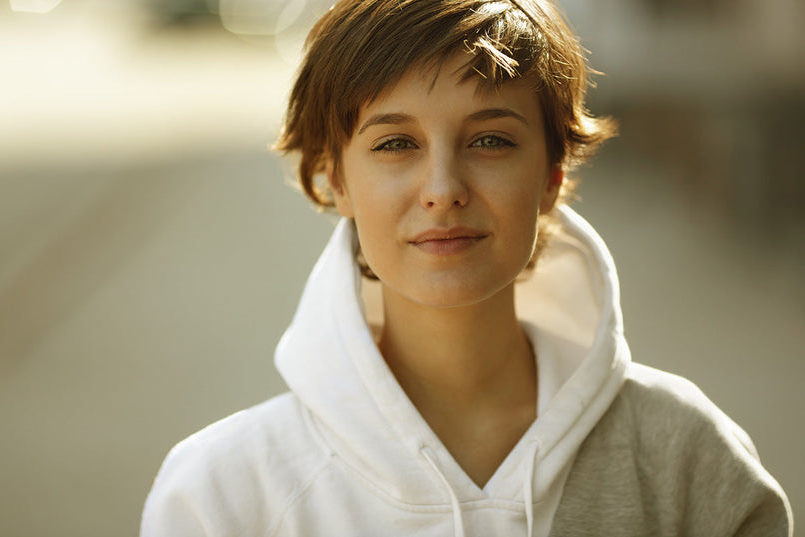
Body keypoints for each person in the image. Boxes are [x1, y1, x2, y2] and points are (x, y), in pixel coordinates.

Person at [140, 0, 793, 535]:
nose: (443, 187)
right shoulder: (223, 493)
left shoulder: (683, 459)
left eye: (490, 140)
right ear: (336, 178)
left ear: (551, 176)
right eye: (396, 144)